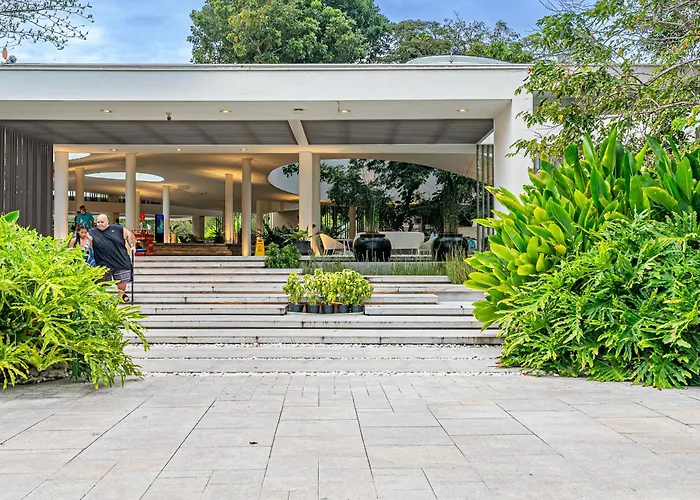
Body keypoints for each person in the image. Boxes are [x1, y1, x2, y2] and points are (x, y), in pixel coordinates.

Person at [89, 214, 136, 302]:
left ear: (107, 222)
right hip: (102, 262)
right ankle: (100, 297)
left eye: (102, 222)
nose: (100, 224)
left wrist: (132, 246)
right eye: (98, 222)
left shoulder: (118, 229)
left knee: (122, 280)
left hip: (120, 260)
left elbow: (129, 235)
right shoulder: (92, 232)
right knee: (100, 281)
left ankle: (122, 294)